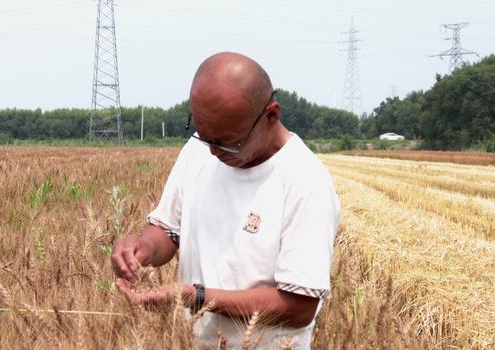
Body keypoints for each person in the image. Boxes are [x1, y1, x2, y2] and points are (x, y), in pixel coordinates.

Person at [112, 52, 340, 349]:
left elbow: (299, 308)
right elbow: (168, 230)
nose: (212, 151)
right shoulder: (199, 151)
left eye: (229, 141)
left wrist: (198, 298)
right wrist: (142, 248)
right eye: (204, 135)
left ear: (271, 115)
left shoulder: (306, 182)